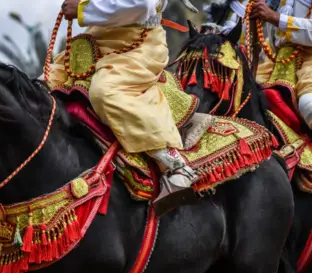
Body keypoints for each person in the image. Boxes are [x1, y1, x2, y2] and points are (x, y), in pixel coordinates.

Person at [47, 0, 200, 207]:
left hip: (137, 45)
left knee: (105, 92)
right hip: (96, 41)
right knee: (43, 87)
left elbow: (141, 5)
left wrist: (84, 9)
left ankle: (173, 163)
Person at [218, 0, 312, 139]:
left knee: (311, 106)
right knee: (237, 92)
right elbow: (253, 32)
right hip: (276, 61)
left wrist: (276, 18)